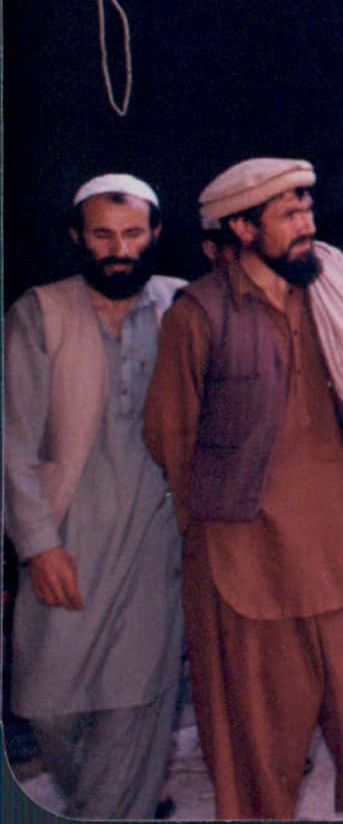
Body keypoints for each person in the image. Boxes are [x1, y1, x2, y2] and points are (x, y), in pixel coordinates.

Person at [143, 158, 343, 820]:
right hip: (254, 570)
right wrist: (212, 541)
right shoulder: (198, 315)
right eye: (289, 213)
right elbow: (171, 435)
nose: (309, 224)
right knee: (259, 758)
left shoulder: (332, 292)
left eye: (308, 208)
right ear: (243, 227)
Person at [3, 174, 186, 819]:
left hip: (155, 541)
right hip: (68, 542)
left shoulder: (182, 306)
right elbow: (12, 445)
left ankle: (122, 805)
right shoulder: (39, 313)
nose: (120, 249)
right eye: (103, 235)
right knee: (49, 708)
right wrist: (38, 545)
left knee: (134, 708)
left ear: (155, 233)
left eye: (134, 234)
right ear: (78, 238)